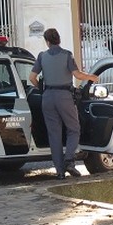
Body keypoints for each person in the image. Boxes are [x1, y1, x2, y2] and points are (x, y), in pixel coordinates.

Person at [29, 28, 99, 179]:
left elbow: (32, 77)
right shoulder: (67, 55)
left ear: (47, 42)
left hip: (47, 97)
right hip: (64, 96)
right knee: (74, 129)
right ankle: (69, 160)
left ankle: (60, 171)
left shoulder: (42, 56)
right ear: (58, 39)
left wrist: (41, 88)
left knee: (54, 134)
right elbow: (77, 74)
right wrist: (91, 77)